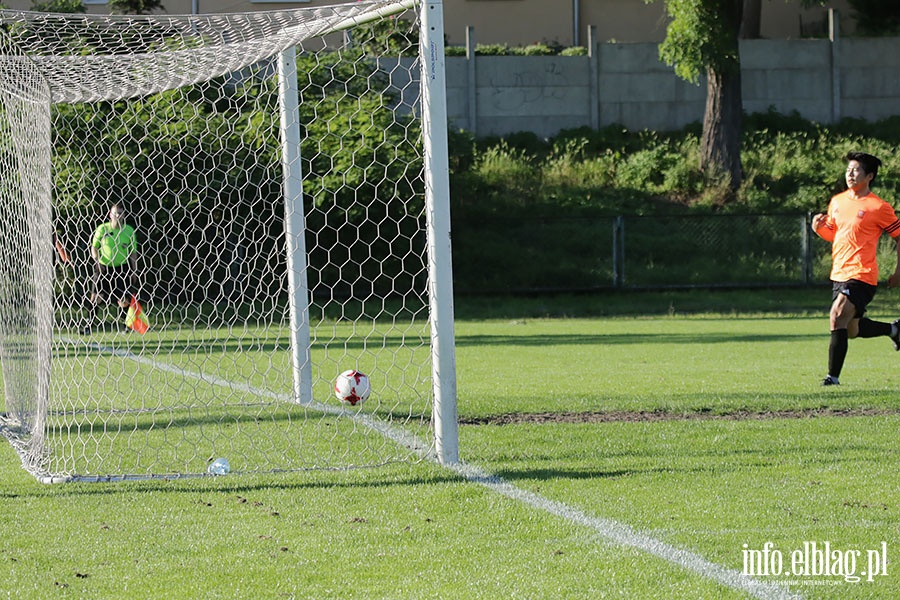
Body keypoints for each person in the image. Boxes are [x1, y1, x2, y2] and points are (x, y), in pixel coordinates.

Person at [811, 151, 900, 386]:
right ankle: (894, 330)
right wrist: (818, 228)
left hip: (862, 274)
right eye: (848, 169)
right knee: (850, 329)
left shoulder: (878, 206)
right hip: (838, 273)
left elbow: (899, 236)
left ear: (869, 176)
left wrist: (899, 271)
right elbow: (833, 234)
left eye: (856, 170)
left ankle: (832, 378)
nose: (850, 174)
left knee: (836, 315)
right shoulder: (837, 201)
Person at [82, 203, 140, 334]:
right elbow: (94, 247)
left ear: (124, 215)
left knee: (124, 299)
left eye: (120, 213)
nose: (118, 216)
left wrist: (134, 270)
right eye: (115, 213)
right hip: (103, 267)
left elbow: (133, 253)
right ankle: (88, 325)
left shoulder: (129, 231)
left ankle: (124, 326)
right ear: (110, 215)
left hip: (121, 268)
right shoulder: (103, 229)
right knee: (96, 298)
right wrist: (96, 260)